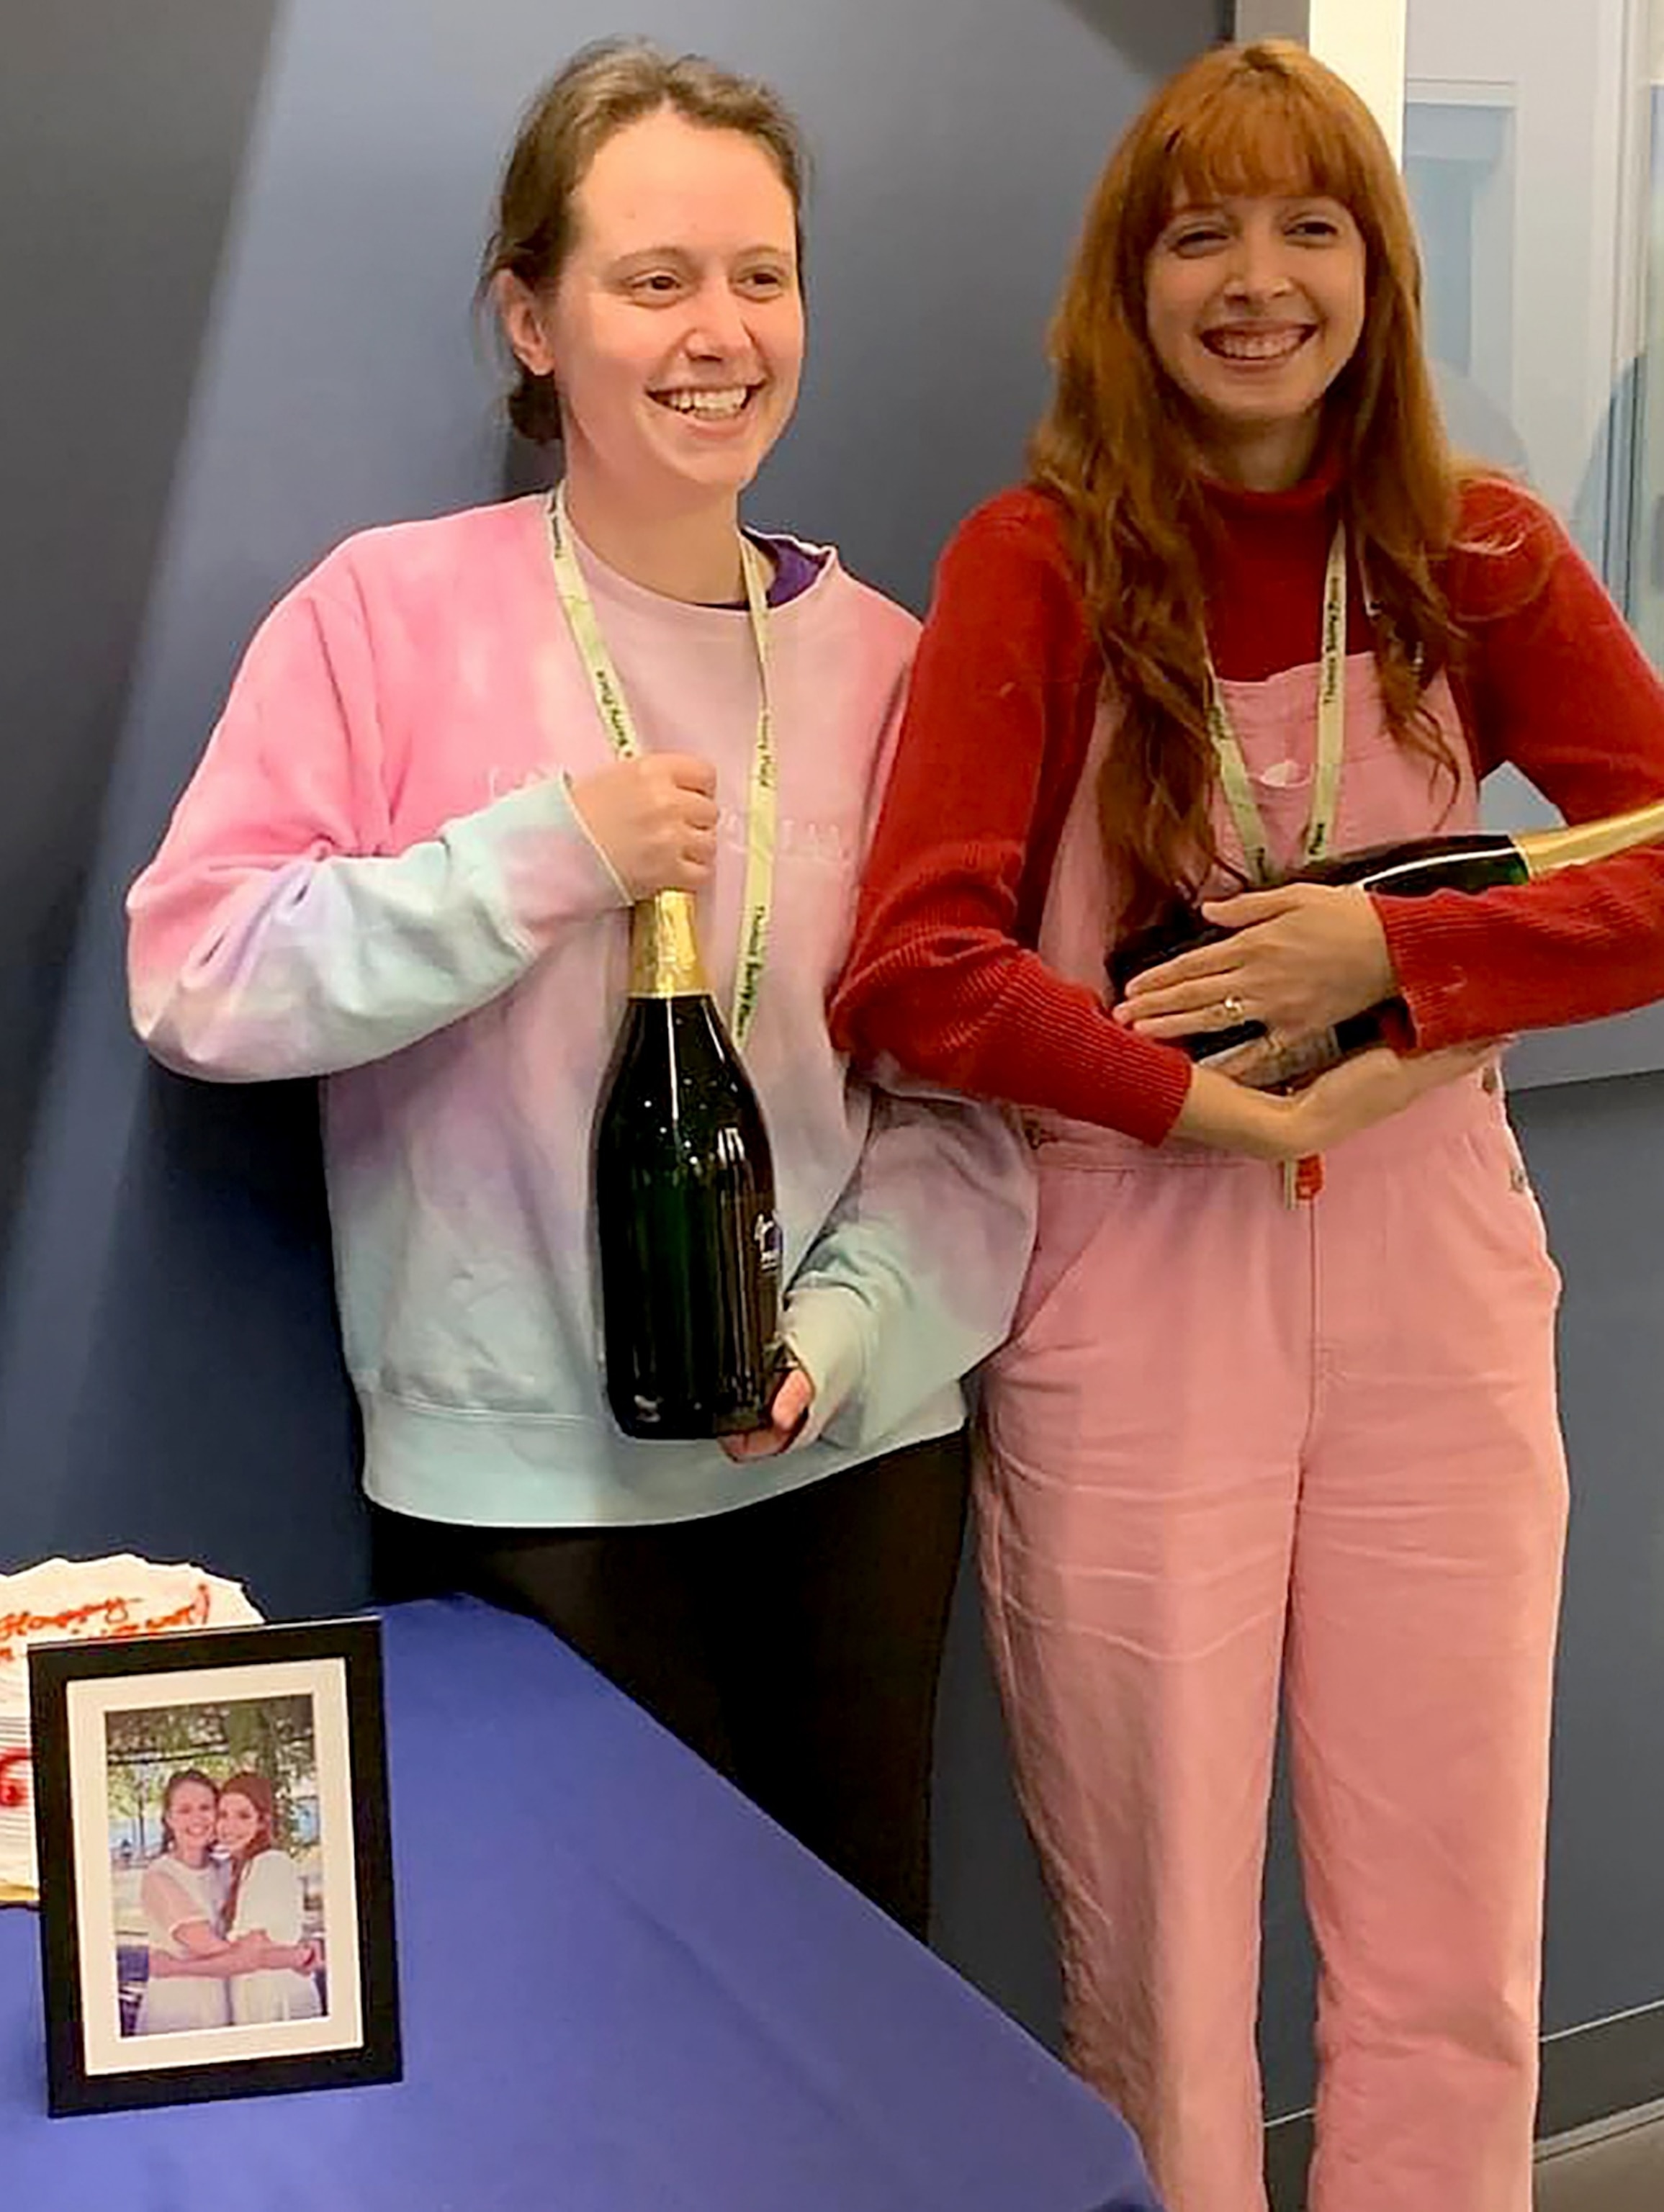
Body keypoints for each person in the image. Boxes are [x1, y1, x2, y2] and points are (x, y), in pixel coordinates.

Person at [830, 39, 1664, 2212]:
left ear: (1374, 274)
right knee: (1158, 1961)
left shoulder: (1470, 552)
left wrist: (1392, 972)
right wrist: (1197, 1102)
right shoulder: (1031, 561)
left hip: (1430, 1293)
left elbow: (1655, 853)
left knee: (1449, 1944)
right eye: (1199, 230)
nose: (1256, 278)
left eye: (1308, 227)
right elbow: (909, 967)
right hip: (1136, 1290)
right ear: (1129, 278)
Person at [125, 38, 1033, 1940]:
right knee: (575, 2011)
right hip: (524, 1493)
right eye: (652, 281)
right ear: (529, 320)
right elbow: (200, 978)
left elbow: (962, 1098)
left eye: (759, 276)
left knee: (849, 2000)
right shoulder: (384, 612)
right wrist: (535, 854)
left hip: (852, 1468)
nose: (718, 332)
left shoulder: (890, 662)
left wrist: (845, 1338)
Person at [132, 1771, 312, 2032]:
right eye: (185, 1810)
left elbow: (267, 1931)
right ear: (169, 1819)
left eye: (206, 1808)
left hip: (230, 2004)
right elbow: (216, 1947)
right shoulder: (160, 1877)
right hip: (180, 2007)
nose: (197, 1819)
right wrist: (296, 1955)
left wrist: (304, 1948)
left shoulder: (228, 1870)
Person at [215, 1772, 323, 2025]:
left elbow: (249, 1949)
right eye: (223, 1815)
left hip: (275, 1995)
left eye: (244, 1816)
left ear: (262, 1822)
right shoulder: (238, 1868)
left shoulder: (271, 1864)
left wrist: (178, 1964)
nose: (230, 1826)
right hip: (252, 1991)